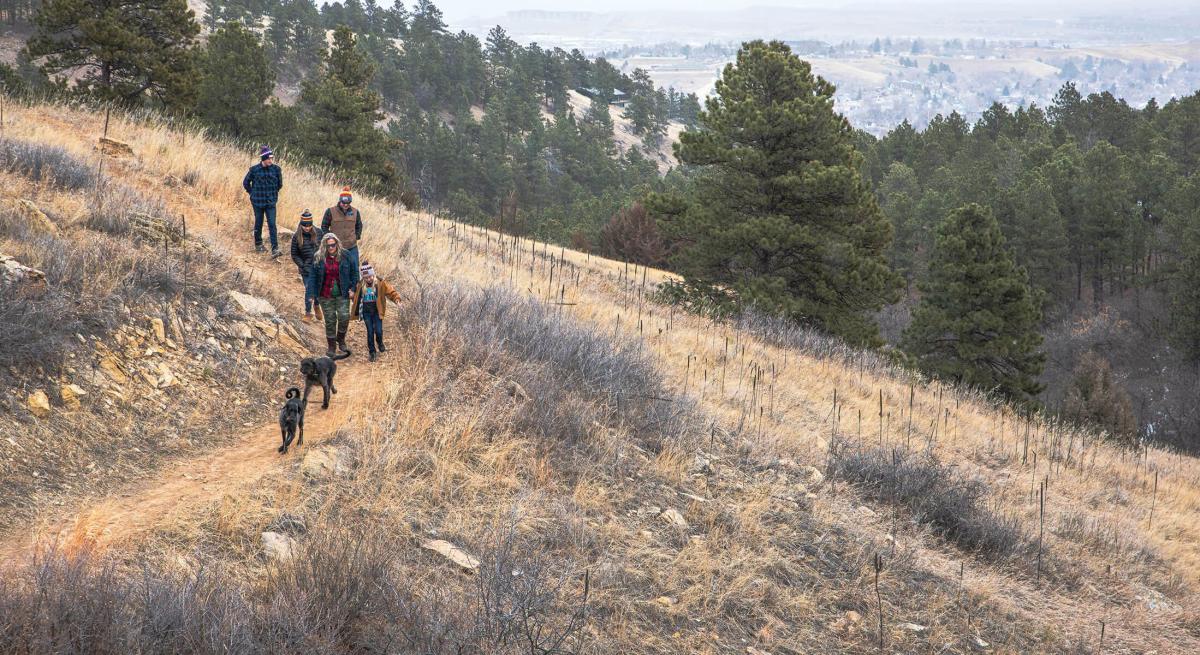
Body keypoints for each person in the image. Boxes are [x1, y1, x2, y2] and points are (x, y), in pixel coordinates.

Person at [311, 233, 358, 357]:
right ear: (324, 246)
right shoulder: (318, 257)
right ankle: (331, 345)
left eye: (333, 245)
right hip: (325, 294)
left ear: (337, 244)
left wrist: (353, 288)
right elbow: (313, 276)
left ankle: (341, 339)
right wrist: (312, 294)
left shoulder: (346, 255)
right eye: (328, 246)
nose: (331, 247)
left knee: (344, 316)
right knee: (330, 320)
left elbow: (354, 272)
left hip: (343, 292)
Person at [350, 261, 401, 362]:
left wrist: (397, 300)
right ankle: (372, 352)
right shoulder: (360, 285)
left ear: (373, 275)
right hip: (366, 312)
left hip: (377, 311)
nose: (369, 279)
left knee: (378, 330)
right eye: (366, 278)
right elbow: (355, 297)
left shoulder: (380, 283)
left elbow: (390, 292)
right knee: (370, 331)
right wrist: (352, 295)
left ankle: (380, 342)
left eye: (370, 277)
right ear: (363, 278)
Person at [242, 145, 284, 257]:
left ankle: (275, 249)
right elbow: (246, 183)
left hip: (271, 202)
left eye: (272, 158)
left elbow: (280, 185)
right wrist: (252, 193)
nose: (271, 160)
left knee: (272, 224)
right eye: (269, 158)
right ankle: (258, 245)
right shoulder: (254, 170)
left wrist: (272, 194)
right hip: (257, 202)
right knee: (259, 223)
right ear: (263, 159)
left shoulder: (276, 169)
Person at [289, 209, 323, 321]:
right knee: (309, 288)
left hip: (318, 267)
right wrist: (302, 265)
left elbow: (325, 248)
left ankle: (316, 305)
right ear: (301, 225)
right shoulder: (296, 237)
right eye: (305, 226)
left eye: (309, 225)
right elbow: (294, 254)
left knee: (317, 289)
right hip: (306, 269)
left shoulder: (319, 232)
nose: (307, 228)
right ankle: (308, 313)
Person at [321, 186, 363, 274]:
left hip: (352, 247)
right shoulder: (330, 211)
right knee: (336, 270)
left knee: (354, 269)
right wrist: (329, 238)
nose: (345, 205)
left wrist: (356, 236)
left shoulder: (355, 212)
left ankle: (354, 287)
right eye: (343, 202)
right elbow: (324, 226)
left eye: (348, 203)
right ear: (340, 200)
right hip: (336, 247)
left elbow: (359, 225)